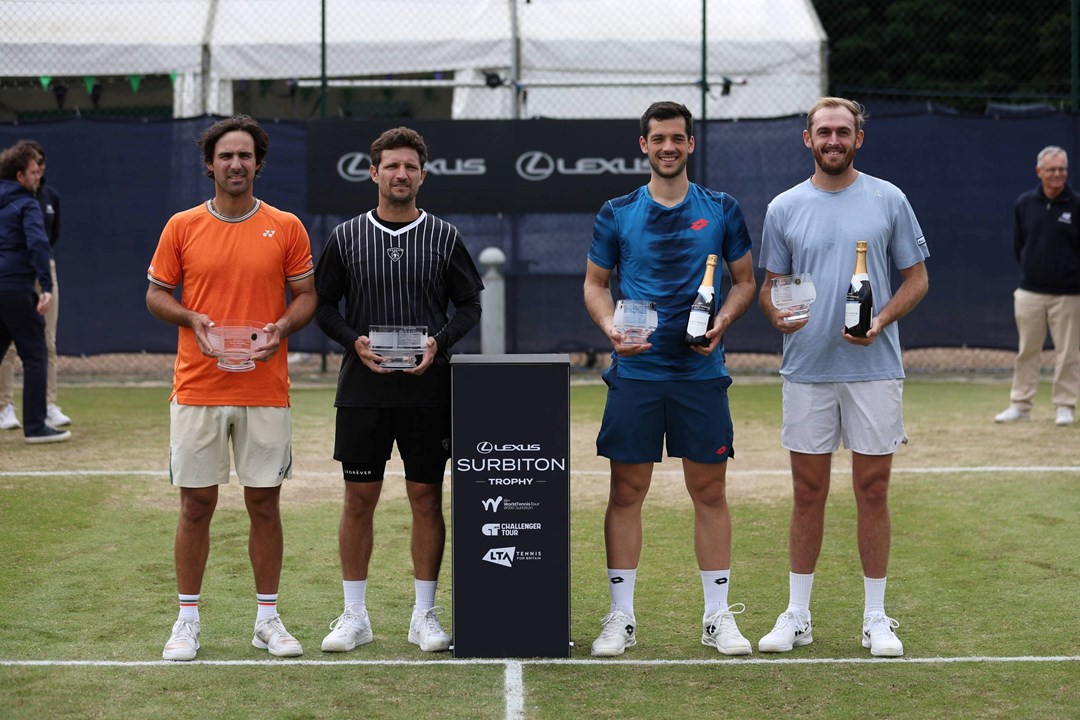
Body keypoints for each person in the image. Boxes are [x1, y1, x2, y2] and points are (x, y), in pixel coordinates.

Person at [582, 101, 757, 657]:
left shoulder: (722, 208)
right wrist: (611, 326)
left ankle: (717, 617)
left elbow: (745, 281)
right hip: (636, 371)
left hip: (701, 372)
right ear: (643, 145)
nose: (668, 147)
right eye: (658, 138)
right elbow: (594, 284)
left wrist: (723, 322)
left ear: (690, 145)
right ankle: (620, 618)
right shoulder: (616, 211)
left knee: (709, 491)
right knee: (626, 491)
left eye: (677, 138)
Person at [757, 97, 929, 658]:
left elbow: (916, 279)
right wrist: (775, 312)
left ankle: (875, 618)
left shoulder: (890, 198)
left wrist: (879, 320)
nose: (834, 140)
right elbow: (771, 288)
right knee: (808, 492)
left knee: (872, 490)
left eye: (844, 132)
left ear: (859, 138)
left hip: (875, 370)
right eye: (823, 132)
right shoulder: (784, 206)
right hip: (806, 370)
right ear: (807, 139)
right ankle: (797, 615)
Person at [146, 115, 316, 661]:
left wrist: (281, 329)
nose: (236, 164)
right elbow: (155, 295)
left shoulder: (286, 226)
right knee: (196, 504)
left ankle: (267, 620)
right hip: (197, 387)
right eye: (226, 156)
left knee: (264, 504)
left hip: (266, 386)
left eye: (245, 156)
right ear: (210, 164)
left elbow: (306, 297)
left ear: (259, 163)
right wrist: (191, 318)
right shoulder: (182, 225)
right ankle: (186, 621)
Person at [314, 127, 483, 654]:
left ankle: (423, 615)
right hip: (362, 390)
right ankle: (354, 615)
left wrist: (438, 343)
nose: (401, 175)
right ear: (374, 172)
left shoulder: (445, 236)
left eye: (410, 167)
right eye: (392, 166)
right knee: (358, 499)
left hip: (428, 392)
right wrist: (353, 342)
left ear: (423, 175)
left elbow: (469, 306)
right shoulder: (345, 237)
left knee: (426, 498)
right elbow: (322, 306)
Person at [994, 146, 1080, 427]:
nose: (1057, 175)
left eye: (1062, 169)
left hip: (1069, 295)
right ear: (1039, 172)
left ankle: (1065, 406)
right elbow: (1020, 246)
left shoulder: (1076, 206)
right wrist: (1033, 272)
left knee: (1067, 353)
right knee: (1027, 350)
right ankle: (1020, 405)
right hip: (1030, 292)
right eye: (1052, 169)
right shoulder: (1024, 203)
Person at [0, 142, 70, 444]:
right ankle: (35, 425)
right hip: (16, 287)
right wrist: (47, 286)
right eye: (32, 171)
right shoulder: (28, 203)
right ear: (20, 176)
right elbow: (39, 244)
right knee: (36, 353)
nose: (38, 175)